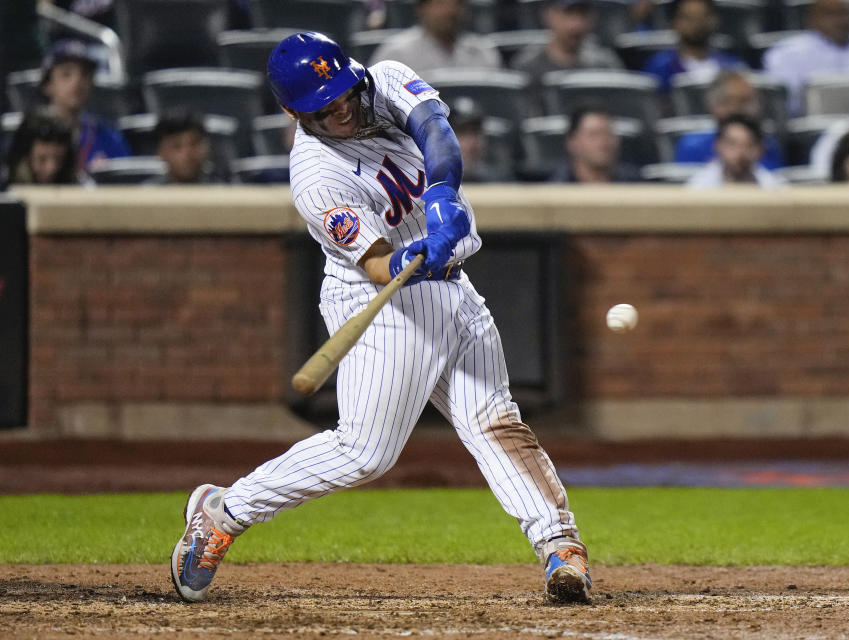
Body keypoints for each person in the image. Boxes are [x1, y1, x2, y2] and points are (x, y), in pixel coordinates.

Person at [170, 31, 592, 605]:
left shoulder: (386, 79)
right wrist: (407, 258)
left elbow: (437, 130)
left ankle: (559, 548)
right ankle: (226, 512)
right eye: (326, 107)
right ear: (293, 112)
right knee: (364, 455)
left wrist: (442, 190)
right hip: (384, 308)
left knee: (495, 422)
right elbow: (373, 263)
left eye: (345, 94)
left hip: (454, 293)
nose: (343, 110)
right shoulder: (315, 176)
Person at [763, 0, 849, 117]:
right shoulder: (786, 53)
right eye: (830, 14)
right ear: (812, 19)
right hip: (814, 130)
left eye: (844, 13)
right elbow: (788, 105)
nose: (840, 20)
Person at [510, 0, 624, 115]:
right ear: (548, 15)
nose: (576, 24)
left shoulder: (605, 66)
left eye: (583, 14)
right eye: (568, 13)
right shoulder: (527, 66)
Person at [39, 39, 131, 172]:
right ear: (47, 85)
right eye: (66, 74)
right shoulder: (29, 135)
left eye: (85, 74)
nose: (77, 82)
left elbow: (126, 183)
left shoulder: (108, 136)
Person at [673, 70, 785, 170]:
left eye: (753, 101)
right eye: (742, 101)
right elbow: (686, 190)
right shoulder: (692, 146)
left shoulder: (767, 144)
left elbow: (774, 185)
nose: (752, 109)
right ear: (717, 105)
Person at [642, 0, 745, 96]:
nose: (697, 24)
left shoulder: (733, 67)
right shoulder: (659, 68)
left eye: (702, 17)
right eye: (689, 18)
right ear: (675, 23)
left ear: (714, 20)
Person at [369, 0, 502, 73]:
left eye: (457, 3)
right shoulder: (395, 53)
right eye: (440, 3)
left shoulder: (484, 51)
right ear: (421, 9)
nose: (450, 10)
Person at [686, 114, 786, 187]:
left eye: (748, 145)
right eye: (732, 144)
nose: (740, 152)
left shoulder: (774, 187)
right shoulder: (698, 187)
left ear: (760, 149)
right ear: (717, 145)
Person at [550, 105, 642, 183]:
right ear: (572, 142)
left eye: (608, 134)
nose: (603, 142)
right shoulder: (554, 191)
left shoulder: (635, 184)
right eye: (594, 135)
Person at [2, 106, 87, 187]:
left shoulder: (80, 188)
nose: (51, 168)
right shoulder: (3, 190)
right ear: (24, 156)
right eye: (42, 159)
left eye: (59, 159)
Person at [448, 97, 514, 182]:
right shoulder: (429, 182)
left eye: (475, 133)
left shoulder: (500, 182)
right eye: (462, 133)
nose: (471, 143)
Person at [150, 110, 223, 184]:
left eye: (194, 143)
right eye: (177, 146)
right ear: (161, 152)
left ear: (207, 147)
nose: (187, 154)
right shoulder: (145, 194)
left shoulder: (226, 192)